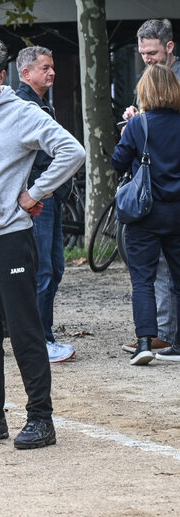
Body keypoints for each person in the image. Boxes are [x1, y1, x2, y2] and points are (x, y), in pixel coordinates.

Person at [0, 37, 84, 449]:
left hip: (9, 239)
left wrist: (35, 193)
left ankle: (41, 418)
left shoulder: (22, 113)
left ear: (2, 76)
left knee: (25, 334)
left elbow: (72, 151)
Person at [111, 64, 180, 365]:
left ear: (145, 91)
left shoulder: (139, 125)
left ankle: (144, 344)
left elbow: (118, 162)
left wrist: (127, 136)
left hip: (146, 212)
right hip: (177, 212)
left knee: (143, 279)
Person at [15, 46, 75, 364]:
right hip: (38, 201)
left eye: (52, 67)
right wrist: (37, 190)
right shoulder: (24, 107)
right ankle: (38, 341)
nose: (52, 72)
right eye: (45, 68)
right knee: (41, 271)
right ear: (26, 73)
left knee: (54, 269)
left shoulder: (42, 105)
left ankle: (43, 336)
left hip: (50, 198)